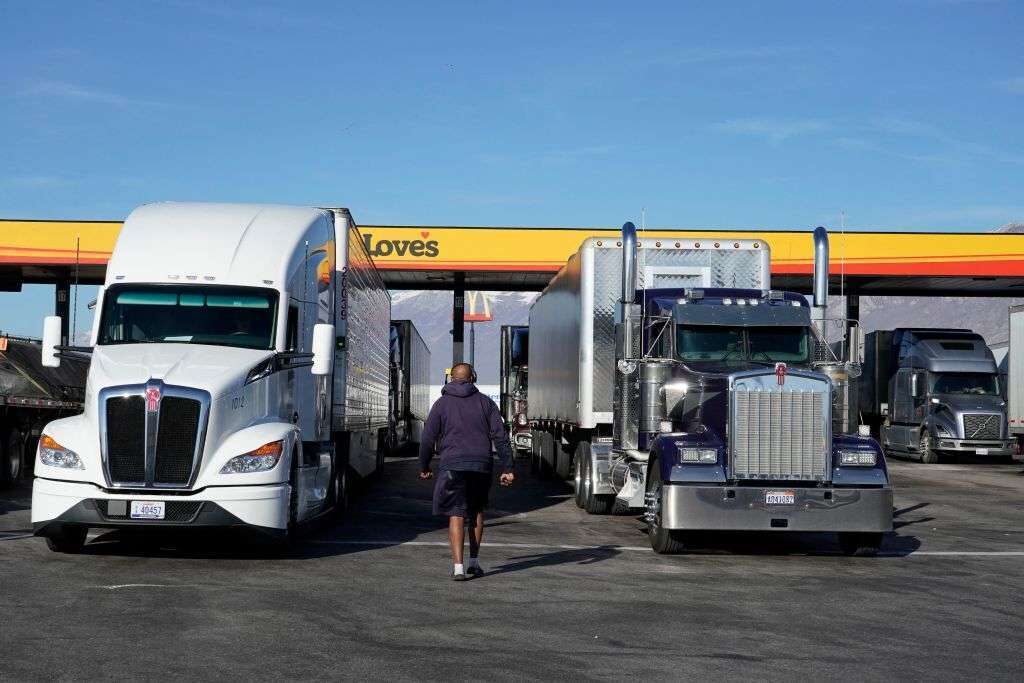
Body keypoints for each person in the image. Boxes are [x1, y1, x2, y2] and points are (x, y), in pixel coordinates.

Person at [419, 362, 514, 581]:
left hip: (452, 465)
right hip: (481, 465)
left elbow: (427, 438)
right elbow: (500, 437)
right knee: (477, 511)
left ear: (451, 378)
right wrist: (508, 467)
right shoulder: (486, 403)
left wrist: (424, 466)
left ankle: (458, 567)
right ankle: (474, 562)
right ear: (473, 378)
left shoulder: (441, 404)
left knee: (456, 512)